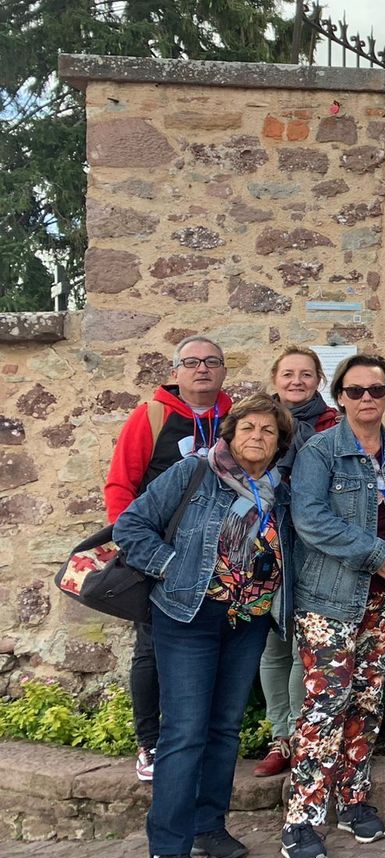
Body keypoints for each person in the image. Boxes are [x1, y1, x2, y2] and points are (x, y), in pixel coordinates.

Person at [113, 394, 294, 858]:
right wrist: (174, 568)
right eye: (249, 428)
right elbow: (131, 526)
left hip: (248, 620)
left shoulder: (279, 489)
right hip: (187, 615)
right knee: (185, 731)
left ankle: (207, 826)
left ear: (279, 445)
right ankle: (166, 849)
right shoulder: (193, 473)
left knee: (224, 728)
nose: (257, 436)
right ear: (230, 434)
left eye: (269, 432)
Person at [280, 355, 385, 858]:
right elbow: (310, 518)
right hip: (329, 597)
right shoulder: (320, 452)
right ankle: (303, 818)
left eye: (376, 390)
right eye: (355, 391)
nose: (366, 399)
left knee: (367, 700)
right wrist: (377, 555)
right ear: (340, 397)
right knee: (325, 703)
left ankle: (352, 799)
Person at [104, 334, 234, 783]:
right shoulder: (152, 417)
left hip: (222, 556)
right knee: (151, 646)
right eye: (192, 362)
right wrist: (133, 546)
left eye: (211, 361)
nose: (202, 369)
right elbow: (122, 483)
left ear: (223, 371)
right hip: (162, 554)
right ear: (175, 372)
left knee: (215, 647)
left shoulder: (237, 419)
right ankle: (150, 743)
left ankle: (198, 739)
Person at [254, 346, 339, 779]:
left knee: (302, 645)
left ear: (318, 379)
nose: (297, 381)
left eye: (306, 374)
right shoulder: (257, 422)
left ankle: (298, 734)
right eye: (288, 373)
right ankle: (278, 735)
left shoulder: (333, 425)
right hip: (265, 546)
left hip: (311, 546)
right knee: (273, 644)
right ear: (276, 378)